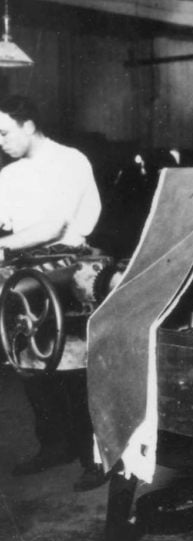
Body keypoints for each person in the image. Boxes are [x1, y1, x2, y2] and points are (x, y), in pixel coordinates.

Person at [0, 95, 107, 492]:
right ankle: (54, 445)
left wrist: (3, 248)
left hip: (69, 265)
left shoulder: (69, 161)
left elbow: (53, 226)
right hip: (24, 266)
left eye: (4, 133)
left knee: (74, 363)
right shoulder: (11, 174)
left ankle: (94, 456)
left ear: (28, 125)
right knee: (26, 355)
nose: (0, 142)